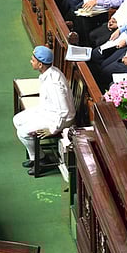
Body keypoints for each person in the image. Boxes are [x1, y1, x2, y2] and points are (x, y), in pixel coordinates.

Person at [13, 46, 75, 176]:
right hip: (48, 111)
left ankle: (40, 160)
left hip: (59, 119)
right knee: (17, 120)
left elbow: (63, 111)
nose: (31, 61)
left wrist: (53, 129)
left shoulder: (53, 83)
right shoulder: (49, 72)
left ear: (40, 64)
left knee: (22, 132)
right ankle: (36, 156)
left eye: (33, 60)